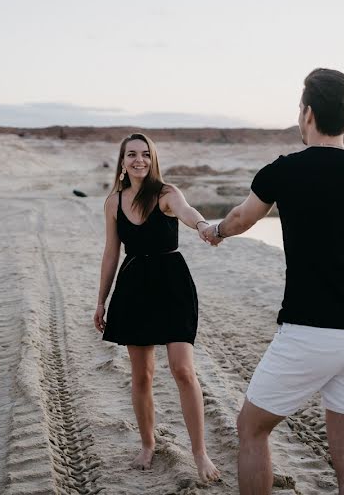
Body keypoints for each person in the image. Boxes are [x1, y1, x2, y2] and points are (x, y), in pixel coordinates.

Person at [202, 68, 344, 495]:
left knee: (251, 430)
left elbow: (241, 218)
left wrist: (215, 231)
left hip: (307, 334)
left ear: (308, 113)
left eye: (300, 108)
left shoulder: (284, 171)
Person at [94, 132, 221, 483]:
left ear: (153, 159)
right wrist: (101, 300)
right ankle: (148, 444)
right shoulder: (113, 202)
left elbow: (188, 212)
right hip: (134, 286)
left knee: (183, 370)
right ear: (122, 162)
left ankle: (200, 452)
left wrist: (203, 225)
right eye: (131, 154)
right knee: (142, 375)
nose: (139, 160)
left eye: (145, 155)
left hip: (172, 285)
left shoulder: (166, 193)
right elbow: (110, 253)